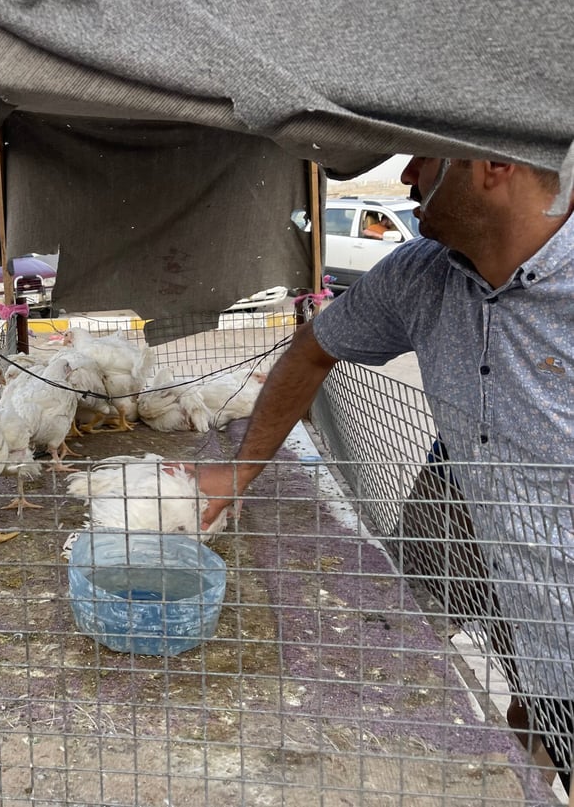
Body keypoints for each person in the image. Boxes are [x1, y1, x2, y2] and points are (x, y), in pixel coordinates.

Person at [184, 156, 574, 789]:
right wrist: (238, 472)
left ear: (491, 166)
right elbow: (312, 349)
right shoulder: (420, 276)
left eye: (421, 158)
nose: (405, 178)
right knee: (523, 729)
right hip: (522, 606)